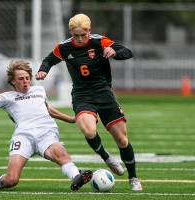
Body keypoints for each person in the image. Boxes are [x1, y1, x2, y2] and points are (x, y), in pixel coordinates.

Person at [35, 13, 142, 191]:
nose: (79, 39)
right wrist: (42, 70)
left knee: (122, 140)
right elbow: (48, 60)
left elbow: (127, 52)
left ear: (89, 31)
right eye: (75, 35)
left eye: (82, 35)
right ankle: (107, 157)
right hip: (82, 94)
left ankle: (133, 178)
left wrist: (115, 52)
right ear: (71, 32)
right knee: (88, 129)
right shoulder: (63, 47)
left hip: (104, 93)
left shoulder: (99, 41)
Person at [0, 59, 92, 191]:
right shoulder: (7, 97)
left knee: (60, 153)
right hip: (23, 137)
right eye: (21, 78)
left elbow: (47, 109)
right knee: (11, 180)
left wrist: (71, 119)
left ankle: (77, 177)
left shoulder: (39, 90)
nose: (25, 81)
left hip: (46, 133)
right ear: (13, 81)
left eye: (27, 78)